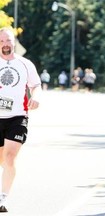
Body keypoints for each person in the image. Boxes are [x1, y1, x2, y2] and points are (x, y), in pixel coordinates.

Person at [0, 27, 42, 212]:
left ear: (14, 41)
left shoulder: (25, 64)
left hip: (17, 116)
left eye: (8, 40)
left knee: (9, 157)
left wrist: (37, 97)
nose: (5, 44)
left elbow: (36, 85)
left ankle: (3, 198)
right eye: (1, 41)